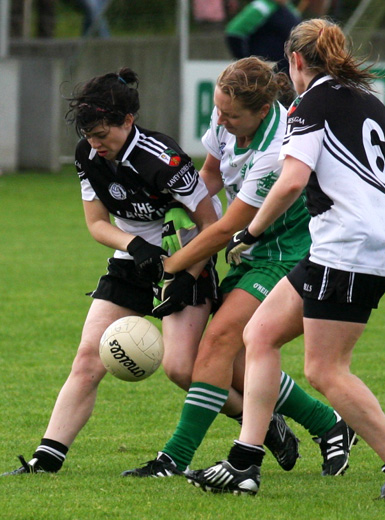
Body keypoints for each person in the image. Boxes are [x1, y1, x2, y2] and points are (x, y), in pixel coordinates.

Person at [188, 18, 385, 499]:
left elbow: (293, 180)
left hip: (346, 248)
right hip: (351, 245)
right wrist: (384, 225)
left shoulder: (307, 105)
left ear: (296, 62)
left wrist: (250, 230)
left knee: (326, 370)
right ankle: (245, 463)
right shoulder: (372, 104)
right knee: (259, 333)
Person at [120, 57, 356, 481]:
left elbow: (230, 224)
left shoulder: (274, 149)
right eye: (219, 112)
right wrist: (178, 211)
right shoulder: (225, 115)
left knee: (220, 341)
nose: (223, 121)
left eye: (232, 116)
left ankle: (173, 459)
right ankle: (327, 423)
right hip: (247, 252)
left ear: (262, 110)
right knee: (235, 363)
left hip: (287, 254)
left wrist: (172, 265)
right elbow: (209, 175)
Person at [0, 67, 241, 476]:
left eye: (102, 136)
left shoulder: (164, 160)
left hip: (186, 258)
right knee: (87, 359)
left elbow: (210, 223)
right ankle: (47, 458)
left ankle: (262, 422)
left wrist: (185, 275)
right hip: (131, 261)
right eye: (88, 137)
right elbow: (97, 225)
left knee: (183, 369)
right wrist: (134, 245)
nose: (95, 146)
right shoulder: (87, 155)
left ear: (127, 121)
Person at [225, 0, 302, 73]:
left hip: (287, 69)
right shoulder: (261, 7)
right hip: (265, 70)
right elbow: (234, 33)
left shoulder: (290, 9)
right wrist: (245, 62)